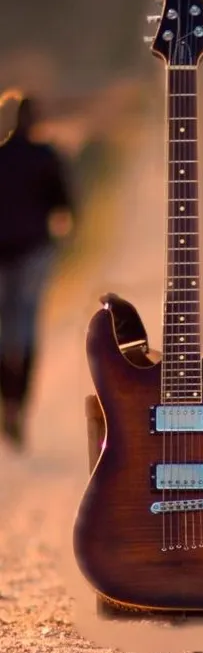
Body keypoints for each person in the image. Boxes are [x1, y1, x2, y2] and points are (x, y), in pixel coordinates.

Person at [0, 96, 75, 449]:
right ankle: (19, 406)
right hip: (32, 251)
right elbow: (64, 206)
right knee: (26, 326)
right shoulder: (45, 156)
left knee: (3, 329)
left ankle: (6, 403)